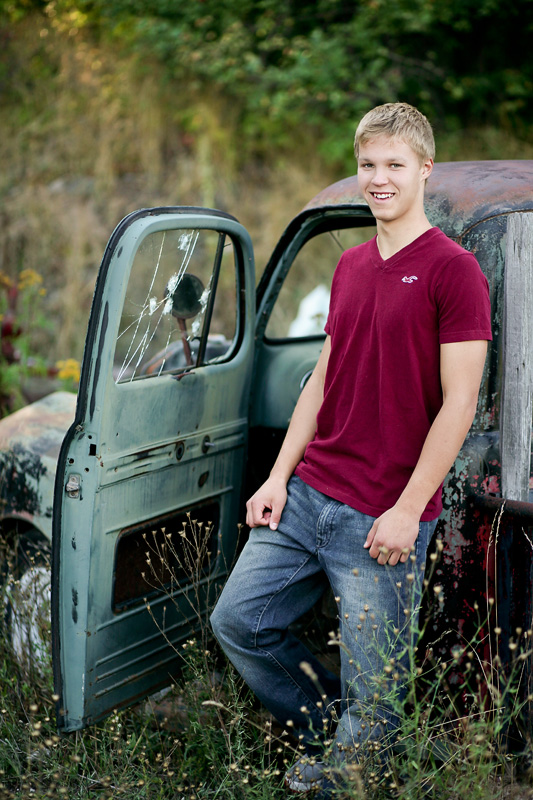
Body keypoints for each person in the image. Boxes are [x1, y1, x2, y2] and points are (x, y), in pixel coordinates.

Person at [211, 102, 492, 795]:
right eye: (367, 164)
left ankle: (352, 771)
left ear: (424, 170)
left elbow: (459, 402)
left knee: (377, 690)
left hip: (382, 517)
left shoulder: (453, 271)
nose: (378, 178)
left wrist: (408, 510)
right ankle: (326, 731)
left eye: (394, 164)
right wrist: (277, 477)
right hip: (310, 494)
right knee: (240, 621)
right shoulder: (351, 266)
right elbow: (322, 380)